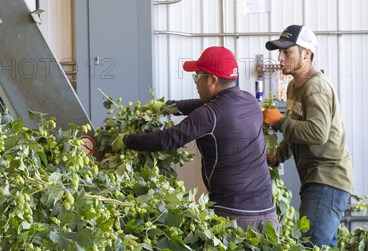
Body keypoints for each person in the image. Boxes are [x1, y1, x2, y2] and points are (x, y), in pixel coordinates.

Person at [114, 46, 279, 232]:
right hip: (268, 213)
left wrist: (127, 140)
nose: (195, 83)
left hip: (235, 217)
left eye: (197, 76)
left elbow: (168, 139)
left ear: (213, 80)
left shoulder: (210, 114)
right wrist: (165, 107)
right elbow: (203, 104)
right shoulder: (249, 101)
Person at [263, 25, 353, 248]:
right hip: (316, 179)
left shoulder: (316, 87)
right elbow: (299, 131)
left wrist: (279, 120)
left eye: (287, 52)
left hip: (327, 179)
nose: (280, 58)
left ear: (306, 54)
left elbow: (317, 132)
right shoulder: (294, 86)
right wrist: (278, 155)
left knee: (310, 250)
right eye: (279, 52)